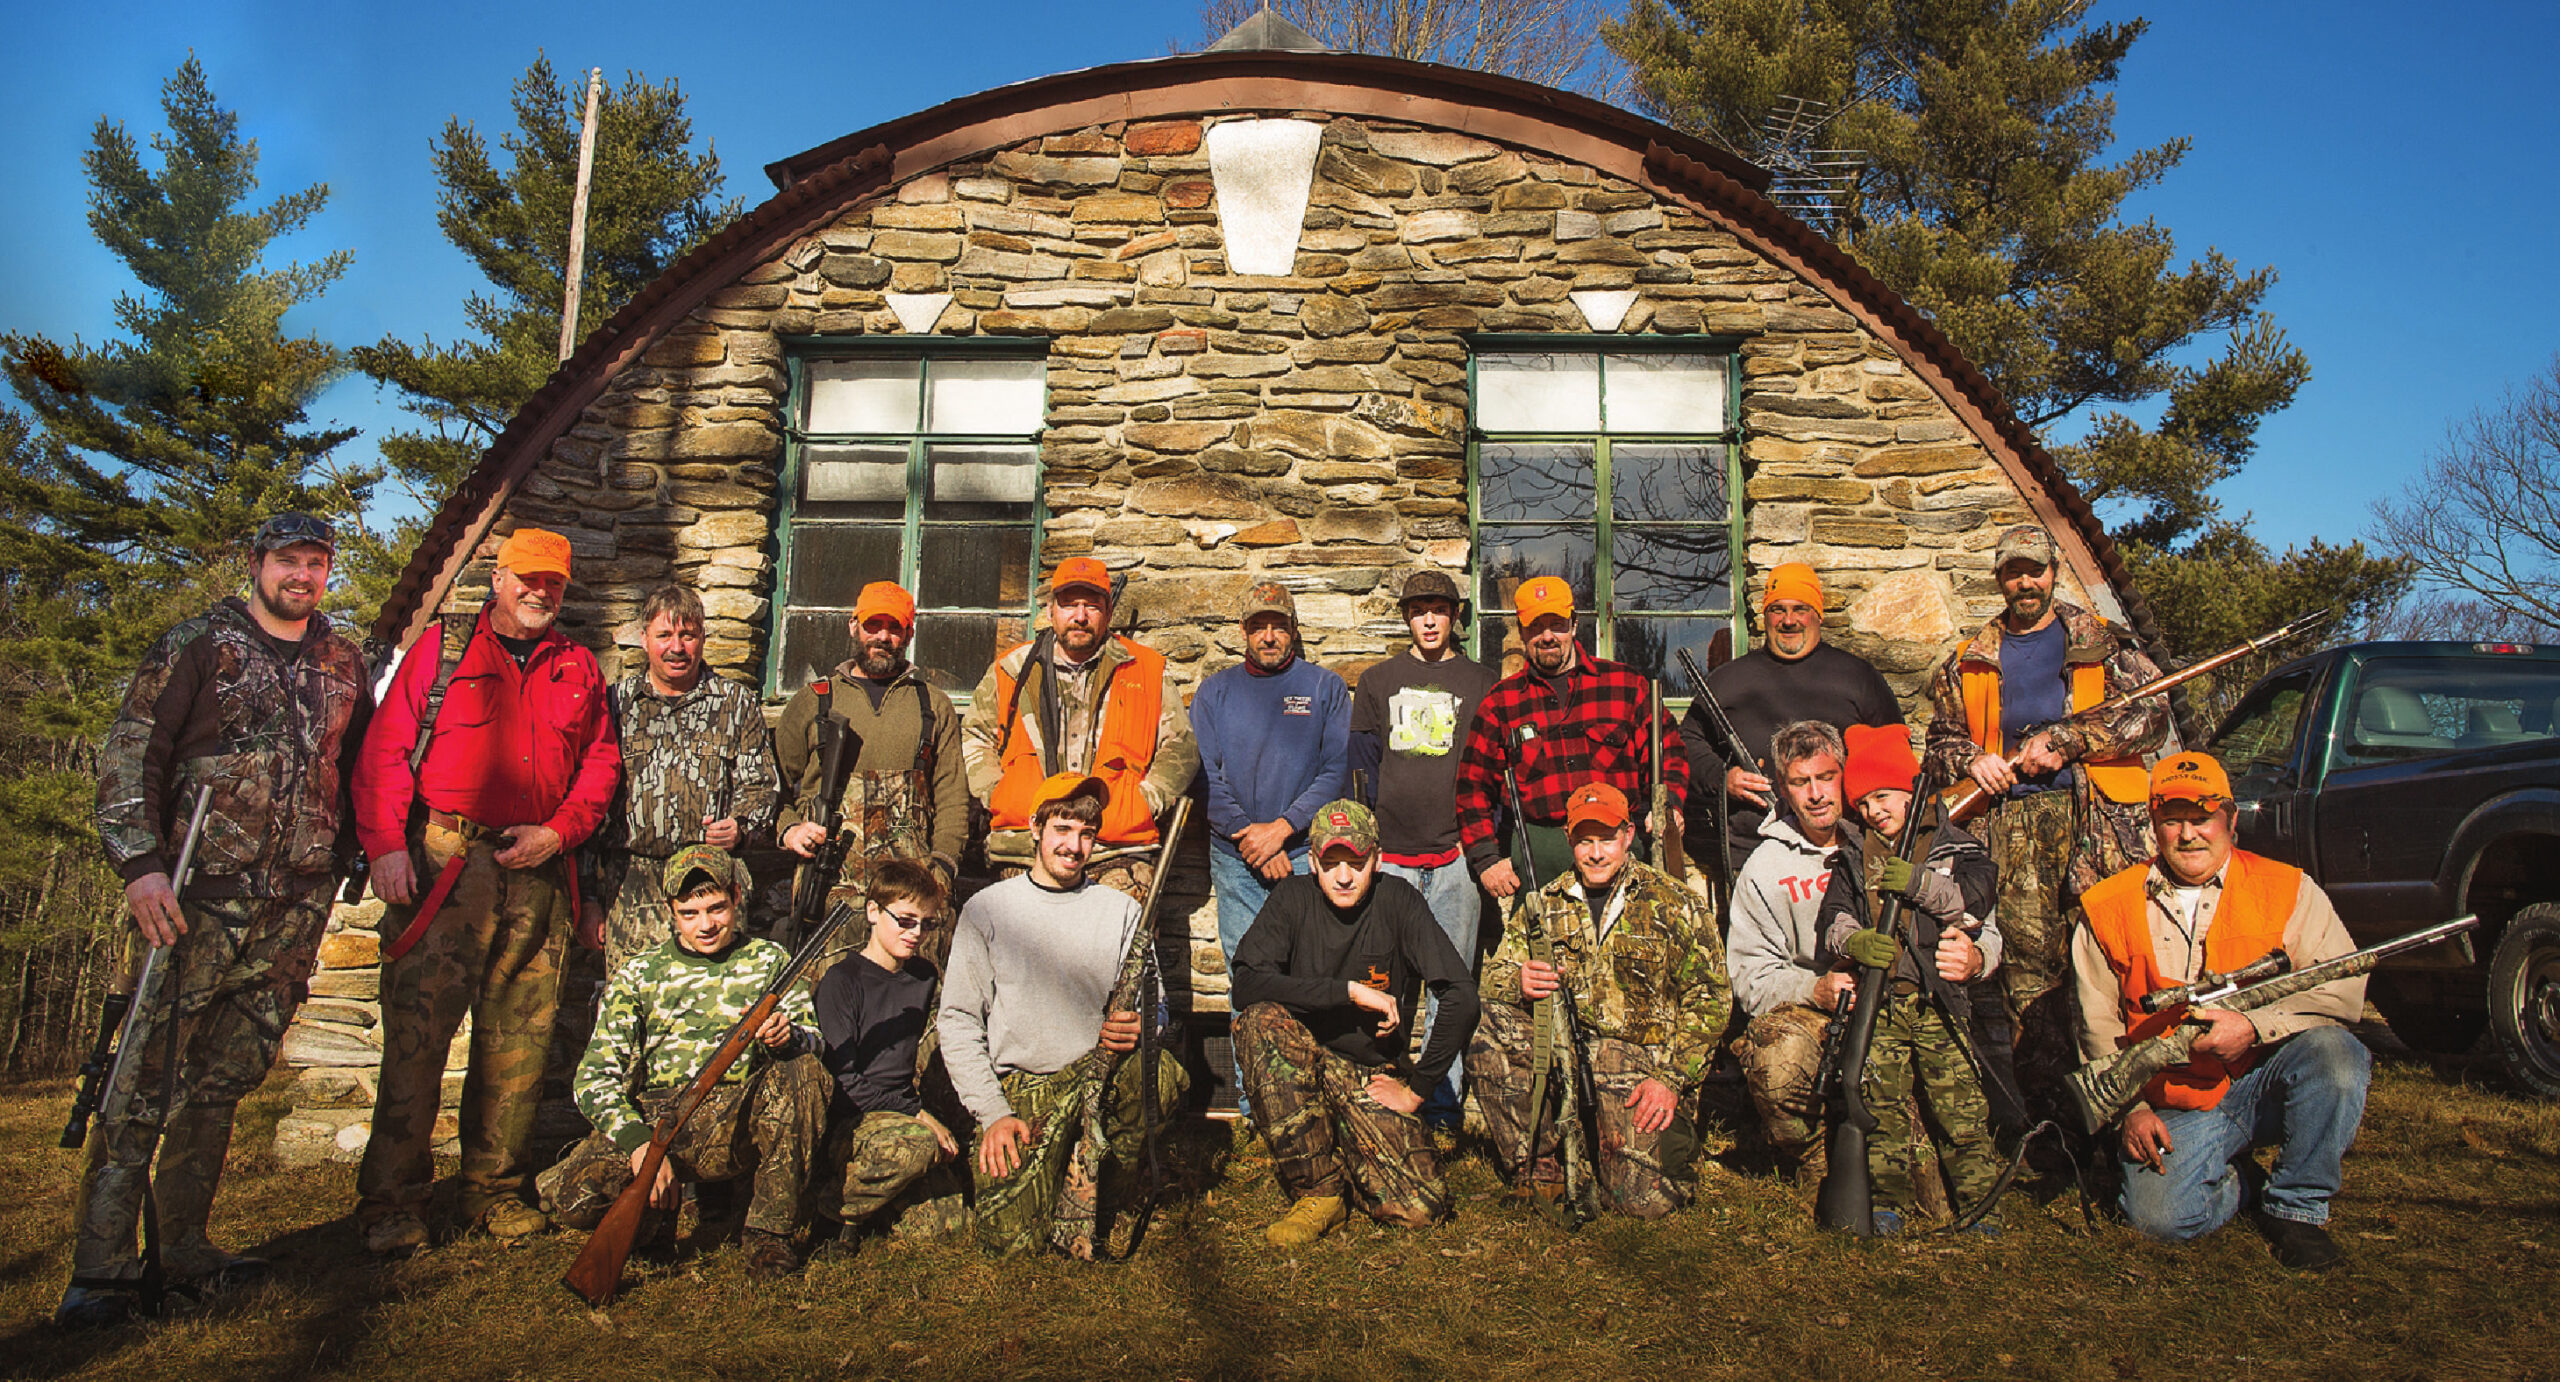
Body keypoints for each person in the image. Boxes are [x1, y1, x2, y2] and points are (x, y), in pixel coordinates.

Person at [60, 514, 371, 1327]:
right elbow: (133, 753)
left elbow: (361, 768)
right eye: (287, 561)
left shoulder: (343, 662)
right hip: (197, 895)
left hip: (293, 902)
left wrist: (357, 855)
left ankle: (187, 1248)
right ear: (256, 564)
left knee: (225, 1077)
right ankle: (101, 1272)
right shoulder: (197, 646)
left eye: (316, 562)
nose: (301, 575)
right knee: (142, 1076)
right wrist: (140, 866)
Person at [352, 526, 622, 1255]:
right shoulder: (440, 653)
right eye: (528, 578)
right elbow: (384, 754)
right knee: (417, 1037)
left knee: (520, 1042)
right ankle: (392, 1201)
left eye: (554, 583)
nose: (540, 592)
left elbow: (599, 766)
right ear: (498, 578)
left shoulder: (578, 667)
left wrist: (559, 833)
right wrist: (384, 846)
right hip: (447, 861)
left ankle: (491, 1190)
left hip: (538, 865)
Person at [2071, 752, 2372, 1271]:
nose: (2188, 835)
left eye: (2202, 818)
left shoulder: (2288, 889)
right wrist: (2131, 1111)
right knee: (2159, 1222)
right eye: (2172, 820)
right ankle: (2245, 1183)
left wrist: (2254, 1027)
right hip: (2173, 1104)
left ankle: (2297, 1208)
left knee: (2337, 1056)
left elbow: (2342, 989)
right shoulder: (2108, 905)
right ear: (2153, 825)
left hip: (2263, 1083)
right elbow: (2095, 1023)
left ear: (2230, 821)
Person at [1926, 524, 2168, 1118]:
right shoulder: (1968, 657)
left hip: (2099, 824)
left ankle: (2132, 1109)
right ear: (2000, 580)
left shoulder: (2103, 643)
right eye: (2013, 572)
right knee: (2028, 978)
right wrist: (1973, 761)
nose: (2024, 582)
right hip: (2009, 825)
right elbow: (1938, 744)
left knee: (2112, 959)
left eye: (2034, 569)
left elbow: (2153, 715)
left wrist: (2070, 740)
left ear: (2054, 571)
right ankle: (2052, 1125)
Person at [537, 846, 829, 1278]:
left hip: (738, 1116)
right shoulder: (639, 974)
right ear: (671, 911)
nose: (706, 925)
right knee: (569, 1195)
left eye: (717, 908)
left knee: (805, 1074)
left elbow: (817, 1045)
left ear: (735, 898)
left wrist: (789, 1040)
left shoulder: (770, 961)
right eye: (689, 913)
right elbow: (593, 1079)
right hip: (660, 1121)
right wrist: (640, 1145)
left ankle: (770, 1236)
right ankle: (652, 1219)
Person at [939, 774, 1187, 1259]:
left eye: (1086, 834)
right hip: (1023, 1090)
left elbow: (1155, 1007)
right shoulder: (988, 910)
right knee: (1011, 1246)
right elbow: (958, 1021)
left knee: (1159, 1078)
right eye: (1062, 829)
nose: (1074, 847)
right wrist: (994, 1115)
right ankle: (1054, 1185)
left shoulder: (1120, 911)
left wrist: (1141, 1026)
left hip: (1099, 1079)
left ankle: (1108, 1196)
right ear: (1034, 828)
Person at [1472, 783, 1730, 1220]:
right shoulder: (1544, 904)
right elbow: (1492, 980)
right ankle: (1541, 1167)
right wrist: (1519, 980)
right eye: (1585, 841)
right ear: (1569, 841)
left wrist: (1671, 1080)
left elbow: (1711, 998)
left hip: (1642, 1075)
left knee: (1645, 1205)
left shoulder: (1674, 903)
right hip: (1566, 1062)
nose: (1596, 853)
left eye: (1607, 839)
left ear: (1628, 835)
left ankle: (1616, 1154)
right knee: (1488, 1029)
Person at [1230, 800, 1479, 1246]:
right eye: (1331, 863)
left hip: (1369, 1076)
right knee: (1259, 1021)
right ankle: (1319, 1192)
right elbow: (1246, 984)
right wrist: (1346, 992)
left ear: (1377, 859)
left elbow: (1460, 993)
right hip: (1301, 1065)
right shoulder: (1291, 898)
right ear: (1312, 862)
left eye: (1356, 862)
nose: (1343, 876)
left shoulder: (1399, 901)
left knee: (1422, 1206)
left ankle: (1344, 1149)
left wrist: (1417, 1089)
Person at [1813, 723, 2006, 1232]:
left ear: (1909, 789)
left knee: (1960, 1108)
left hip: (1938, 1002)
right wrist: (1853, 941)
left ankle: (1980, 1200)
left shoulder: (1956, 847)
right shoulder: (1854, 857)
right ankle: (1883, 1203)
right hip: (1882, 1005)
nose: (1875, 810)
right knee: (1882, 1107)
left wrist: (1919, 885)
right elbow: (1833, 916)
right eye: (1865, 801)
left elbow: (1975, 898)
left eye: (1883, 796)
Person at [1346, 568, 1498, 1128]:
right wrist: (1370, 849)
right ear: (1406, 618)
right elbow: (1359, 770)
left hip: (1456, 856)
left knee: (1450, 984)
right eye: (1418, 610)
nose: (1429, 619)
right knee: (1387, 983)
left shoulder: (1484, 682)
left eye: (1438, 609)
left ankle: (1441, 1104)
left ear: (1455, 616)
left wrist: (1480, 846)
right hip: (1391, 860)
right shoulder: (1379, 681)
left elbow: (1493, 771)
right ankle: (1382, 1099)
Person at [1190, 580, 1349, 1113]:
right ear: (1243, 632)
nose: (1269, 635)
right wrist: (1251, 836)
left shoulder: (1324, 688)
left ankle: (1311, 1098)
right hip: (1236, 858)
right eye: (1259, 626)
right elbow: (1204, 776)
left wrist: (1282, 828)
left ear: (1294, 629)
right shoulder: (1216, 693)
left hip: (1305, 855)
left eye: (1279, 625)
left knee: (1310, 972)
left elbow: (1335, 770)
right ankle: (1256, 1101)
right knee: (1249, 973)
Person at [962, 557, 1199, 901]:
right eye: (1069, 604)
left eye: (1092, 605)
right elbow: (975, 737)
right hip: (1022, 846)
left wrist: (1144, 801)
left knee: (1116, 952)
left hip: (1114, 850)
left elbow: (1180, 745)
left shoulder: (1144, 669)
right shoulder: (1010, 669)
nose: (1080, 616)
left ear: (1109, 612)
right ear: (1050, 610)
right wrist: (997, 792)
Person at [1454, 576, 1686, 912]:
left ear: (1574, 625)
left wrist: (1670, 807)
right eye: (1536, 626)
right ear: (1522, 632)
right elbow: (1471, 787)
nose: (1547, 636)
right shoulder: (1500, 703)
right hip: (1541, 855)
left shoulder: (1625, 685)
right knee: (1545, 961)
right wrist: (1486, 858)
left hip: (1617, 847)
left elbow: (1669, 754)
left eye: (1556, 624)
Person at [776, 580, 968, 967]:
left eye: (894, 627)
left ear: (909, 633)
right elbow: (770, 784)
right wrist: (789, 828)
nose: (883, 636)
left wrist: (942, 869)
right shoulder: (814, 698)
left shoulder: (932, 703)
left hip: (912, 897)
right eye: (872, 625)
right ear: (853, 626)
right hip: (829, 889)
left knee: (911, 1003)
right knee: (826, 995)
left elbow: (952, 796)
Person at [589, 582, 780, 970]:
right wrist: (589, 899)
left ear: (702, 638)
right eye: (665, 635)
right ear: (644, 640)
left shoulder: (734, 702)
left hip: (709, 883)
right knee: (634, 999)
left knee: (713, 1006)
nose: (677, 647)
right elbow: (588, 799)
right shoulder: (613, 704)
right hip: (633, 883)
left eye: (687, 635)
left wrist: (739, 827)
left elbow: (761, 786)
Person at [1679, 562, 1901, 874]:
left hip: (1846, 849)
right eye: (1777, 610)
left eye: (1801, 608)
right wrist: (1722, 778)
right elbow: (1686, 741)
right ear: (1765, 617)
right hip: (1755, 852)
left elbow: (1894, 753)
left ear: (1818, 615)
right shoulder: (1728, 681)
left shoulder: (1859, 677)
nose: (1789, 620)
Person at [1726, 720, 1854, 1185]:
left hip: (1898, 1004)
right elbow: (1749, 977)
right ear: (1783, 789)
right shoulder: (1766, 867)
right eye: (1801, 783)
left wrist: (1977, 954)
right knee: (1774, 1060)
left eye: (1826, 777)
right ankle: (1814, 1158)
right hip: (1817, 1009)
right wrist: (1813, 989)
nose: (1817, 794)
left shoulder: (1887, 835)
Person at [809, 859, 963, 1238]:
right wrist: (917, 1115)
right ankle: (828, 1208)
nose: (916, 934)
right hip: (853, 1120)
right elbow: (844, 1082)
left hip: (902, 1115)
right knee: (919, 1145)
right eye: (906, 920)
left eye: (926, 924)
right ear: (874, 911)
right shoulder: (841, 981)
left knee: (950, 1227)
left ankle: (873, 1207)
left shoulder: (923, 976)